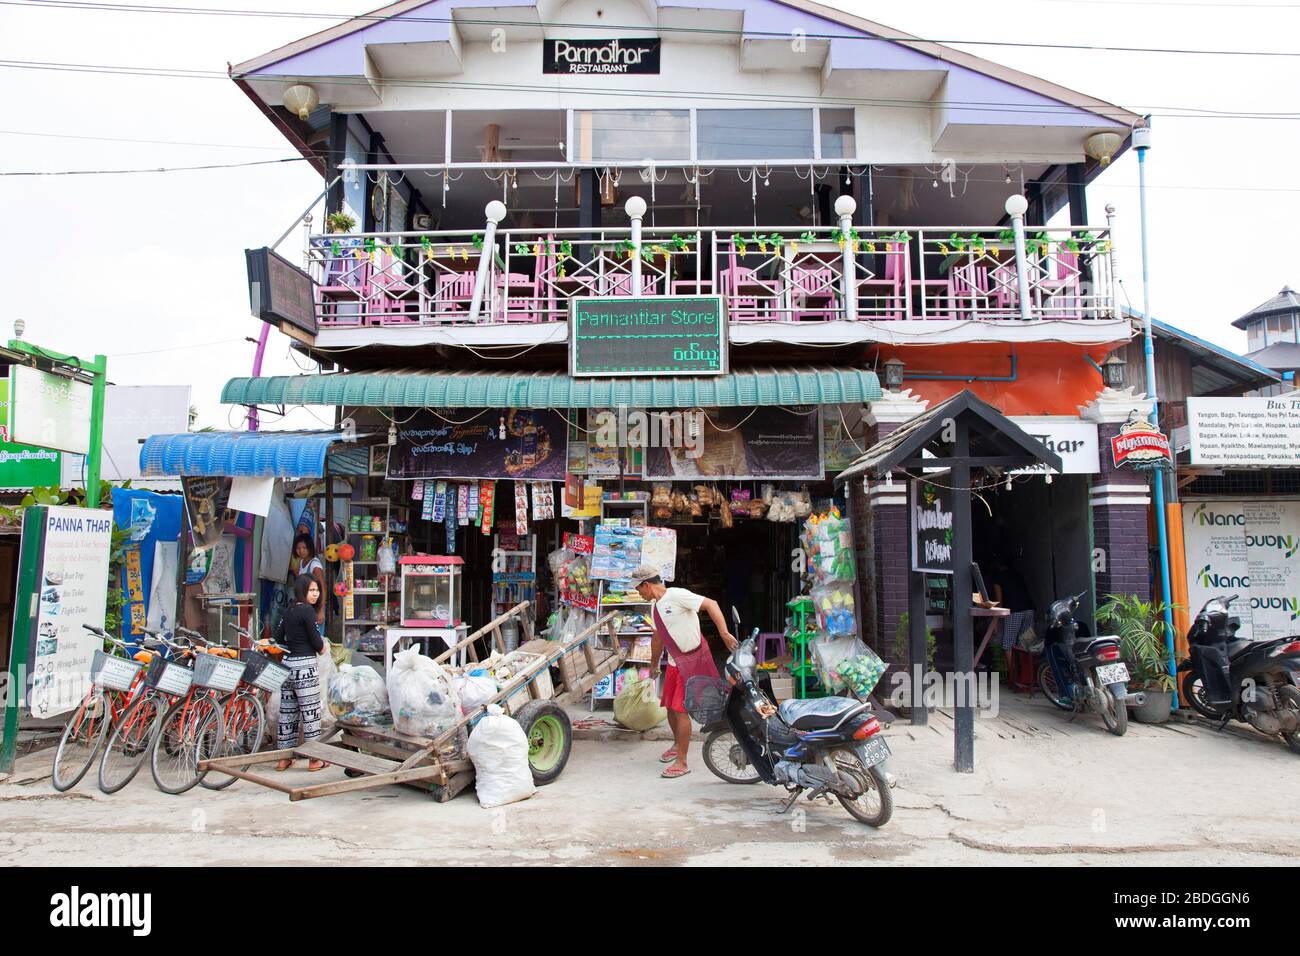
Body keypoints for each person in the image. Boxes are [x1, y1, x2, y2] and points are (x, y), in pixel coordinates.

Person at [630, 564, 738, 779]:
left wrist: (724, 634)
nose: (639, 593)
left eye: (639, 589)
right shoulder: (655, 606)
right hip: (674, 662)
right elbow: (658, 638)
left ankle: (682, 761)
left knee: (680, 710)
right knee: (670, 707)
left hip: (693, 658)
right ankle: (677, 745)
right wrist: (653, 666)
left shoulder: (677, 595)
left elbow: (712, 604)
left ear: (647, 584)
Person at [273, 573, 329, 771]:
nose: (315, 594)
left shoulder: (289, 611)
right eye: (311, 590)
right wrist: (322, 648)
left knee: (288, 713)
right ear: (302, 591)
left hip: (288, 666)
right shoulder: (307, 611)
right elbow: (316, 641)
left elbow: (277, 637)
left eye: (317, 590)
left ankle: (283, 758)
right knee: (310, 713)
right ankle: (315, 760)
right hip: (305, 666)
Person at [290, 532, 326, 636]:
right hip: (305, 609)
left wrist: (321, 611)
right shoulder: (302, 562)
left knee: (316, 639)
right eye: (298, 548)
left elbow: (323, 588)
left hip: (315, 609)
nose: (301, 551)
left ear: (309, 548)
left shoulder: (315, 565)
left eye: (304, 548)